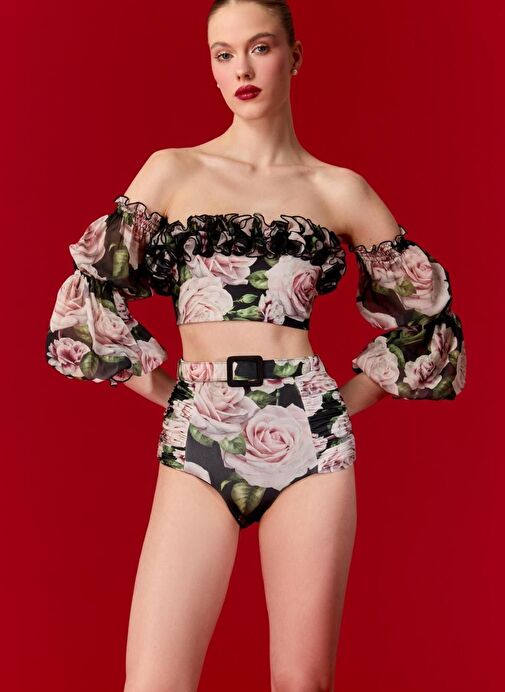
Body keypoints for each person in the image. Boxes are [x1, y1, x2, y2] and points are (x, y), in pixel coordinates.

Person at [45, 0, 467, 690]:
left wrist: (329, 405)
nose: (241, 68)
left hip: (309, 439)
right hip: (199, 431)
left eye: (260, 47)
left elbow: (427, 324)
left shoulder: (339, 190)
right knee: (153, 681)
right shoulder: (171, 172)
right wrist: (178, 397)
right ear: (212, 68)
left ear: (294, 57)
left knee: (302, 684)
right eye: (224, 54)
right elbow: (88, 304)